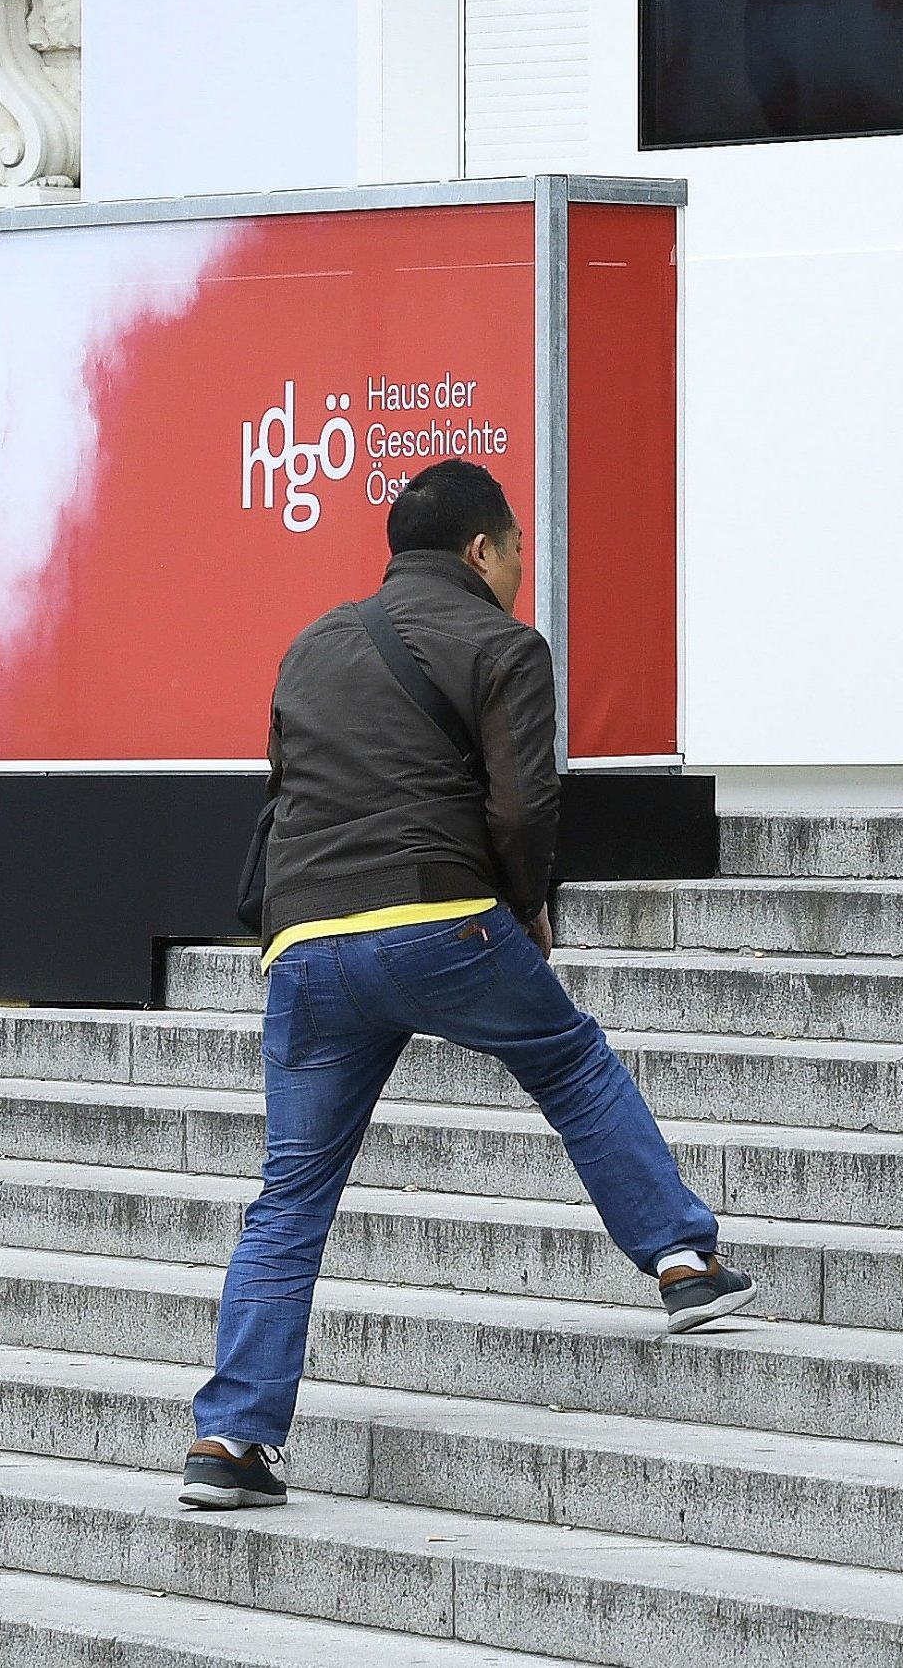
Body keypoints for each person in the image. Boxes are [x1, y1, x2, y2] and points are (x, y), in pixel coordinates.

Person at [181, 457, 756, 1511]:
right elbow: (524, 805)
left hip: (305, 943)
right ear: (481, 549)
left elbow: (283, 789)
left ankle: (229, 1438)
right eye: (519, 553)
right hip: (435, 916)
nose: (521, 575)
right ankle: (682, 1257)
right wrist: (527, 903)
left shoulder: (310, 643)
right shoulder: (504, 643)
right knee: (569, 1058)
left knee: (290, 1195)